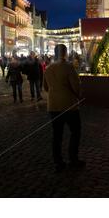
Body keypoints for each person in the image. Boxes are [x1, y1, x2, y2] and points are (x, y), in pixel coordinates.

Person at [44, 44, 83, 173]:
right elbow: (76, 86)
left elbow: (45, 87)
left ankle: (58, 162)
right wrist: (79, 96)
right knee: (75, 132)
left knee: (57, 135)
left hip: (53, 105)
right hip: (68, 105)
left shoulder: (48, 68)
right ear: (65, 53)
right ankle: (73, 158)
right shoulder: (68, 67)